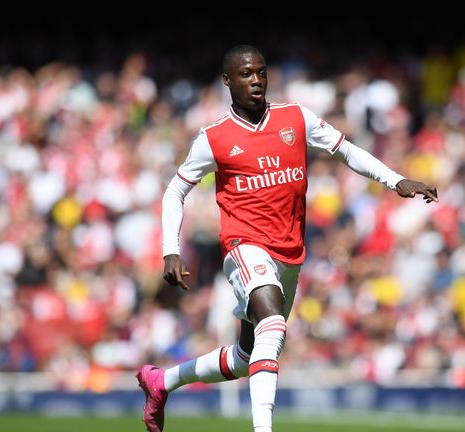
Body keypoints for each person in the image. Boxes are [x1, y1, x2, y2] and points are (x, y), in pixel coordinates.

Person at [136, 44, 438, 432]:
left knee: (249, 355)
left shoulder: (295, 118)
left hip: (290, 253)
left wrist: (395, 179)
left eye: (261, 72)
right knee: (274, 323)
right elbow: (174, 191)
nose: (256, 80)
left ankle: (162, 381)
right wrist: (170, 250)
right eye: (245, 74)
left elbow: (347, 151)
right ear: (228, 81)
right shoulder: (214, 138)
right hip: (245, 247)